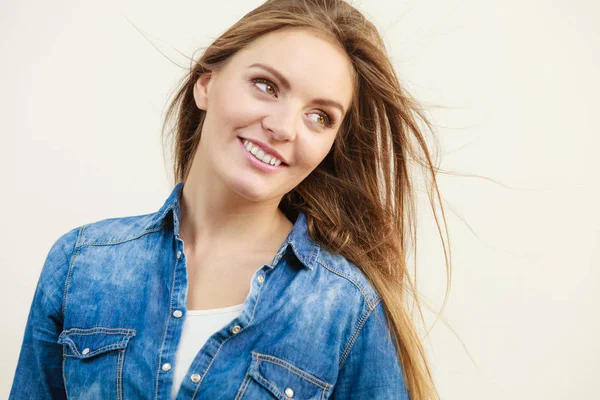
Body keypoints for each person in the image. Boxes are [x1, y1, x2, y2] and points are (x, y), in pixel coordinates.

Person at [10, 0, 449, 398]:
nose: (284, 128)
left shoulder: (346, 308)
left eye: (320, 116)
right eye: (266, 86)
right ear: (206, 84)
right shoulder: (81, 263)